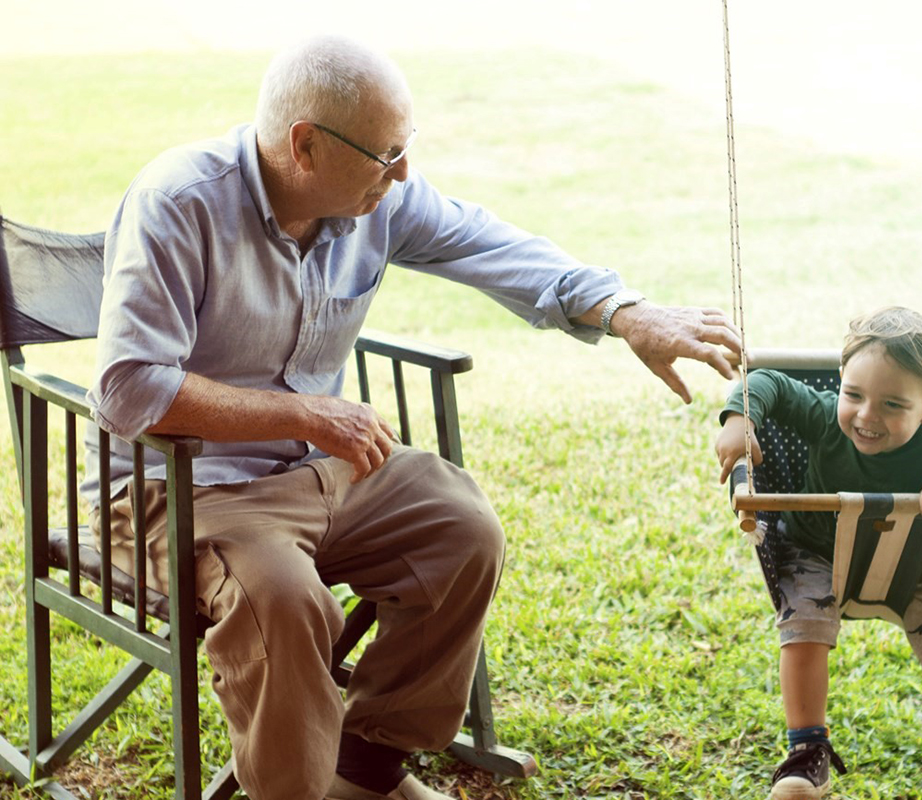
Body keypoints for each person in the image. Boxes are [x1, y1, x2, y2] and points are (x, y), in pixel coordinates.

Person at [82, 34, 742, 800]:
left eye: (407, 148)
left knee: (460, 530)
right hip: (180, 488)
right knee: (284, 600)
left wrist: (626, 312)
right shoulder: (178, 200)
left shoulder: (376, 202)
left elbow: (488, 242)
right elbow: (129, 387)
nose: (403, 174)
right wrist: (307, 413)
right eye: (386, 154)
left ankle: (364, 770)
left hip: (316, 471)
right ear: (305, 147)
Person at [714, 307, 922, 800]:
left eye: (893, 404)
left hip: (909, 562)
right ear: (841, 383)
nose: (867, 416)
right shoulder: (826, 418)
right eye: (853, 395)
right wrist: (739, 420)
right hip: (813, 552)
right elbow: (767, 383)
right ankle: (808, 754)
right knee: (803, 625)